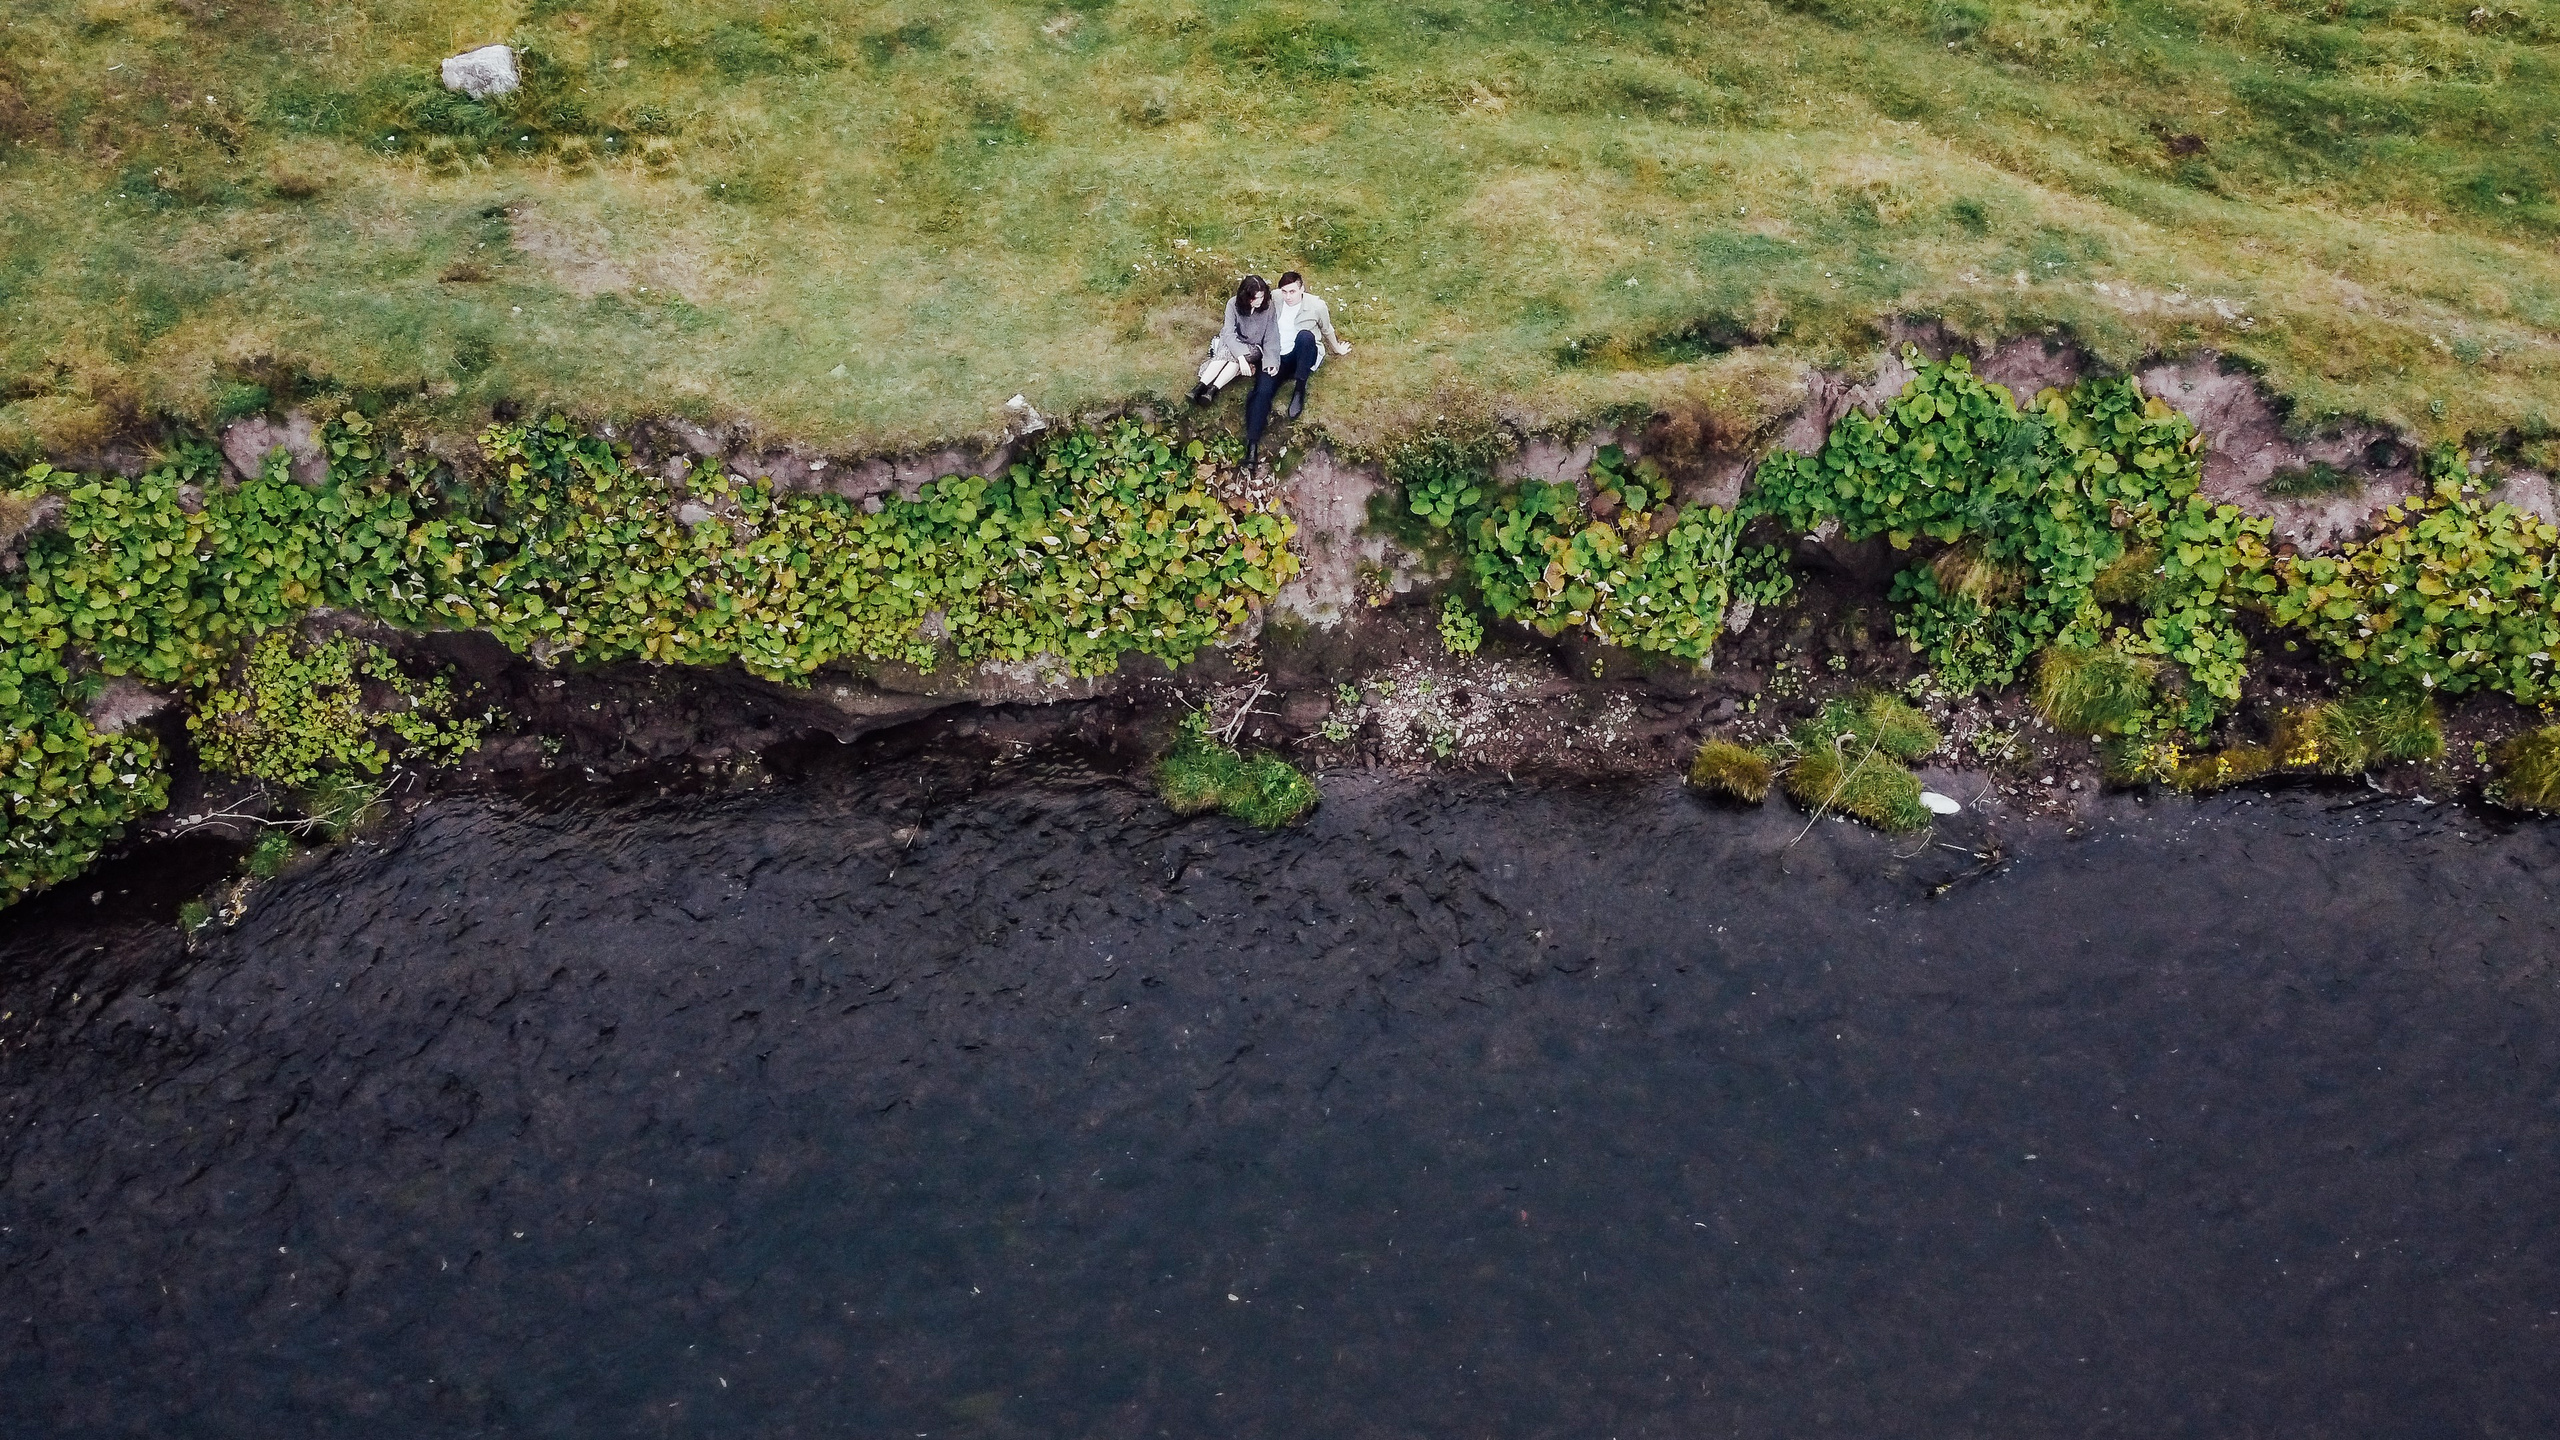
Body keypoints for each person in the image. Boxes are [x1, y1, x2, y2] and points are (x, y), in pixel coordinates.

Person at [1243, 270, 1351, 470]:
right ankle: (1252, 446)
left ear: (1302, 289)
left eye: (1292, 291)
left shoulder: (1316, 306)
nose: (1288, 296)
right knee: (1261, 392)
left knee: (1305, 336)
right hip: (1277, 357)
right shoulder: (1275, 298)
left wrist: (1337, 348)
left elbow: (1327, 329)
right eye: (1284, 291)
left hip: (1302, 355)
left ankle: (1300, 389)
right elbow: (1250, 306)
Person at [1191, 276, 1278, 405]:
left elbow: (1271, 335)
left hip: (1254, 346)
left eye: (1261, 297)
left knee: (1231, 356)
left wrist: (1271, 361)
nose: (1259, 301)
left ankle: (1210, 389)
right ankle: (1203, 389)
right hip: (1233, 341)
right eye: (1255, 298)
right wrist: (1241, 358)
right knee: (1230, 354)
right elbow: (1229, 332)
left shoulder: (1269, 307)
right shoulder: (1233, 304)